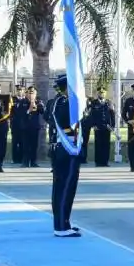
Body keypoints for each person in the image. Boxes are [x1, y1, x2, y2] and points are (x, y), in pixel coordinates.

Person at [46, 74, 84, 237]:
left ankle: (63, 222)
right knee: (66, 187)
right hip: (67, 149)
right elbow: (76, 123)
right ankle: (61, 226)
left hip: (58, 148)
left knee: (59, 187)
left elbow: (46, 117)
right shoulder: (68, 104)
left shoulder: (53, 102)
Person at [83, 87, 114, 167]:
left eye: (103, 93)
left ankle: (105, 161)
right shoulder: (94, 103)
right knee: (98, 144)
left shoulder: (108, 102)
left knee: (106, 145)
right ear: (98, 94)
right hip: (98, 126)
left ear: (105, 93)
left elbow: (112, 114)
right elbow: (91, 115)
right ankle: (98, 162)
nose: (101, 94)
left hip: (107, 127)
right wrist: (93, 125)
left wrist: (112, 125)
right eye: (100, 93)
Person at [21, 86, 44, 168]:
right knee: (26, 145)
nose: (31, 94)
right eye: (30, 93)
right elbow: (20, 113)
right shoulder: (23, 102)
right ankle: (25, 162)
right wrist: (28, 111)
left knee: (34, 145)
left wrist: (36, 104)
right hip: (25, 127)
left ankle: (33, 161)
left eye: (33, 93)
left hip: (34, 127)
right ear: (27, 94)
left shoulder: (38, 101)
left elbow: (42, 111)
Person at [10, 84, 29, 165]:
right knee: (15, 142)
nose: (19, 91)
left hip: (24, 125)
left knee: (22, 143)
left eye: (21, 90)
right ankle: (15, 159)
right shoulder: (12, 100)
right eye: (18, 90)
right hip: (15, 125)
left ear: (24, 91)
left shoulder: (26, 101)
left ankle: (22, 158)